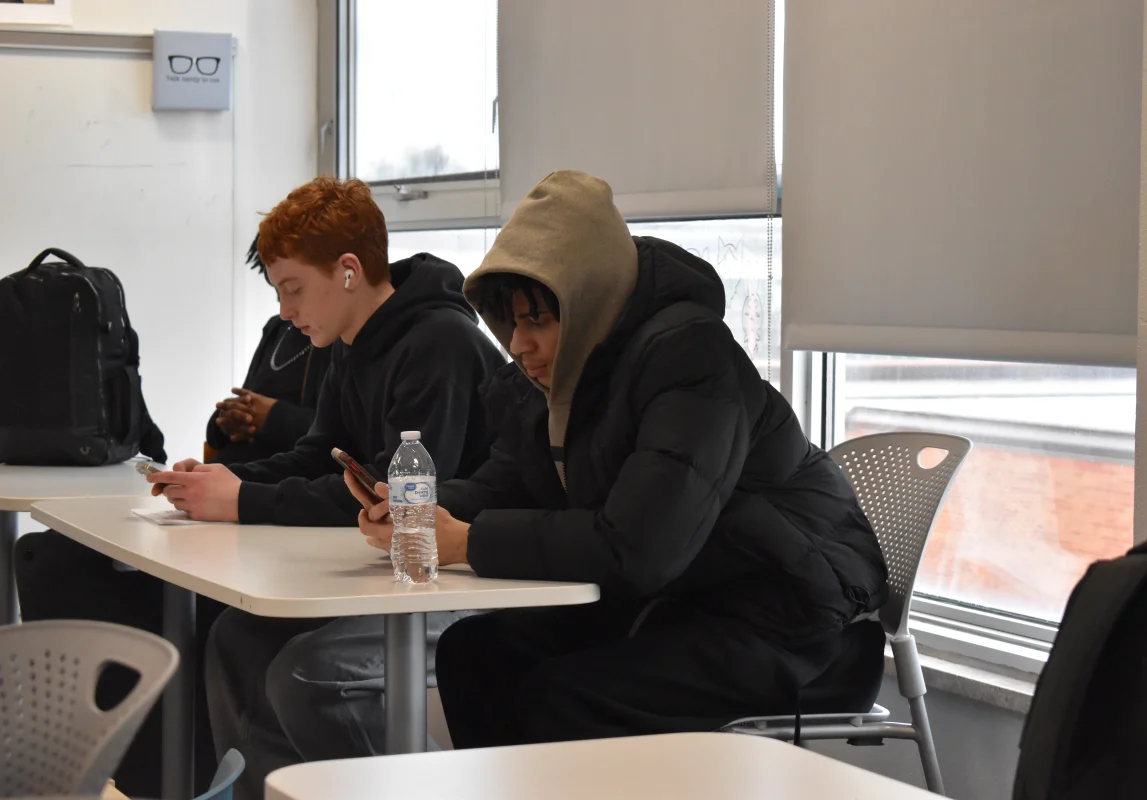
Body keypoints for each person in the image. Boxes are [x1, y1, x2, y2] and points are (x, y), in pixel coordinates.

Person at [350, 170, 890, 746]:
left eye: (539, 319)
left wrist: (466, 541)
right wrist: (416, 509)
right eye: (512, 320)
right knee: (472, 655)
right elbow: (507, 484)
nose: (517, 344)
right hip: (683, 604)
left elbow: (638, 548)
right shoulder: (559, 376)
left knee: (560, 698)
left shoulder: (692, 361)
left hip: (795, 625)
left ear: (590, 302)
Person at [148, 176, 504, 799]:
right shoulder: (350, 341)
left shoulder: (440, 343)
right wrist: (228, 479)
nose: (285, 311)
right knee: (235, 637)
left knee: (302, 673)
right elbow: (321, 453)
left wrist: (244, 502)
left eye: (292, 289)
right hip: (391, 567)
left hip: (466, 577)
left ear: (347, 271)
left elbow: (399, 496)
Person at [10, 236, 328, 799]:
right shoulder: (281, 333)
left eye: (292, 287)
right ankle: (112, 771)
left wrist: (268, 432)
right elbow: (298, 446)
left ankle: (159, 777)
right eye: (277, 286)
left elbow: (335, 455)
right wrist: (227, 436)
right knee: (51, 556)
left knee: (197, 612)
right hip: (245, 507)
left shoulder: (378, 344)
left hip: (272, 527)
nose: (285, 306)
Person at [205, 237, 332, 465]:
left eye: (293, 290)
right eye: (277, 291)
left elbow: (344, 441)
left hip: (283, 484)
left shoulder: (341, 337)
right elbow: (248, 398)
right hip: (238, 476)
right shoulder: (277, 329)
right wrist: (227, 418)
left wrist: (272, 417)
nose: (284, 310)